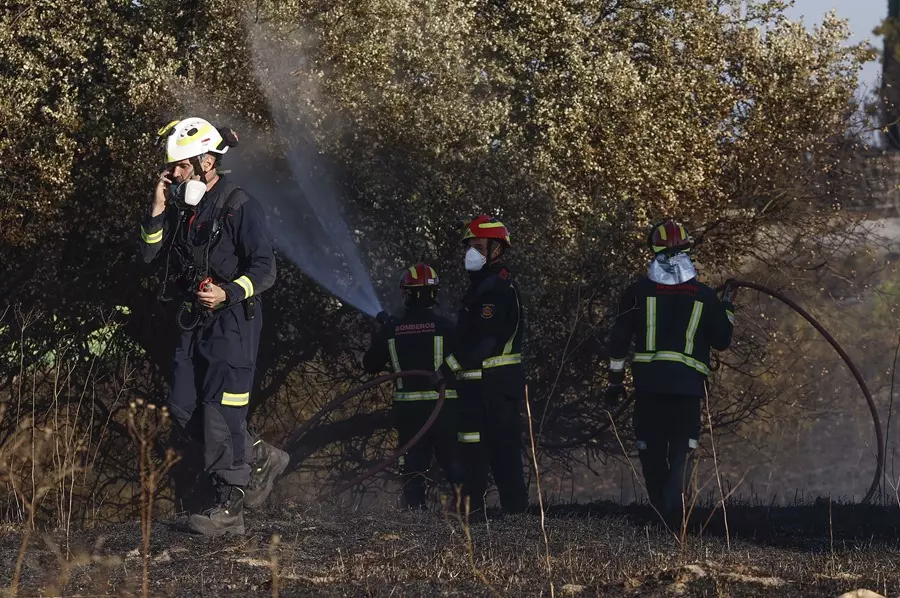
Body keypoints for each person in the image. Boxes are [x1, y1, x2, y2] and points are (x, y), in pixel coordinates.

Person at [139, 117, 289, 536]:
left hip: (232, 324)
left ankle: (230, 508)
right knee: (183, 405)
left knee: (221, 411)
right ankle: (260, 454)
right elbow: (150, 256)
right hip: (195, 323)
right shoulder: (187, 208)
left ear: (207, 160)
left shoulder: (241, 205)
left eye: (181, 166)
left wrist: (229, 293)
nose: (174, 173)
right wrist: (157, 205)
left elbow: (266, 269)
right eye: (172, 167)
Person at [602, 219, 737, 522]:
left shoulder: (637, 292)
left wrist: (614, 383)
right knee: (681, 451)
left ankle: (659, 512)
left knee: (650, 450)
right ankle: (673, 514)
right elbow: (722, 341)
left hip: (649, 389)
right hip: (687, 392)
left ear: (654, 252)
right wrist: (727, 309)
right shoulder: (704, 296)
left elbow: (619, 341)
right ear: (688, 251)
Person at [431, 215, 528, 517]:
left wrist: (447, 367)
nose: (471, 253)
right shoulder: (481, 288)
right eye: (468, 247)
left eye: (478, 246)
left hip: (495, 387)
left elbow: (485, 342)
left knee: (504, 451)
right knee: (472, 450)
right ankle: (473, 512)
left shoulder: (495, 290)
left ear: (496, 249)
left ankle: (515, 514)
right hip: (477, 389)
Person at [363, 263, 464, 509]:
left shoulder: (393, 330)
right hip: (444, 409)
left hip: (408, 411)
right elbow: (465, 359)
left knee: (413, 464)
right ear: (434, 294)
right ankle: (468, 512)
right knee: (454, 463)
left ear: (406, 293)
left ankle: (415, 515)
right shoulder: (447, 328)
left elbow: (369, 364)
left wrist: (385, 333)